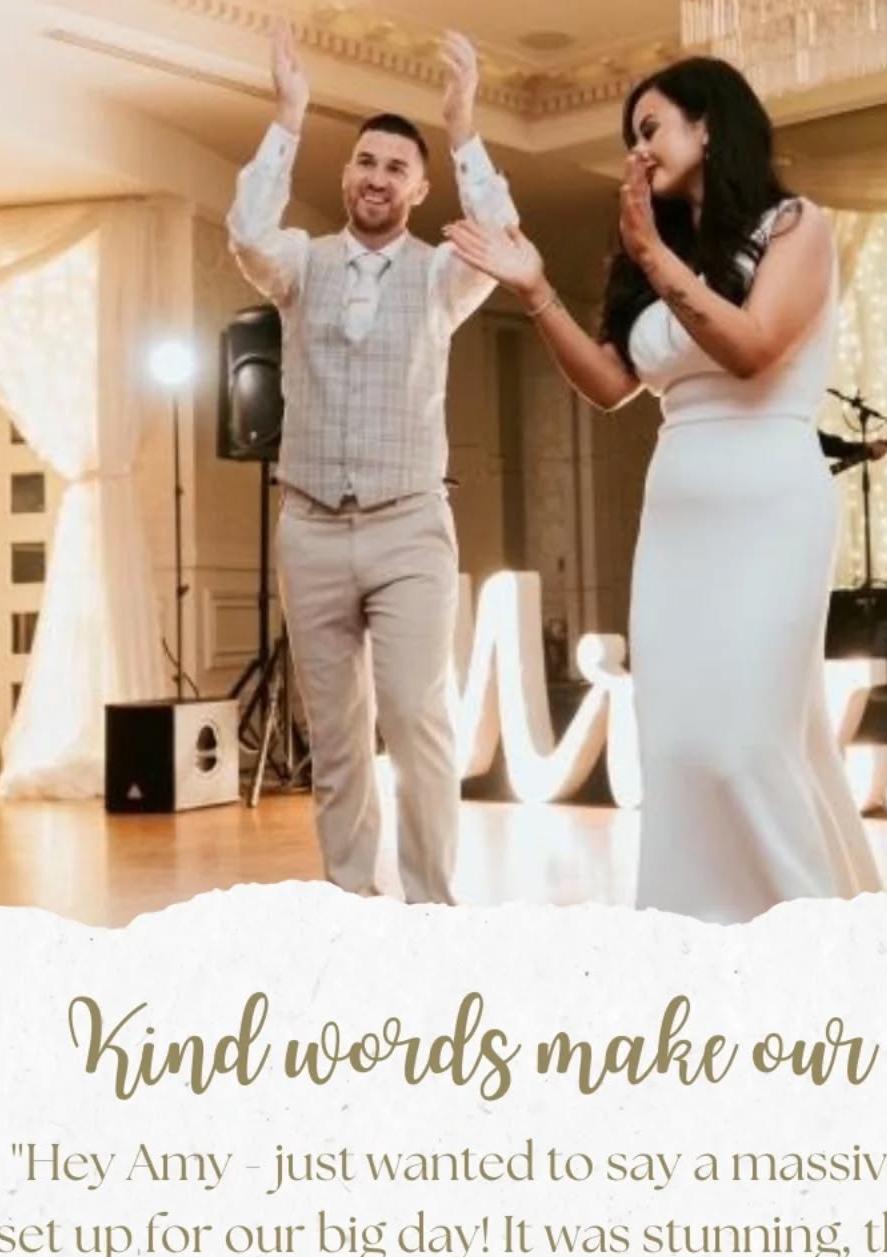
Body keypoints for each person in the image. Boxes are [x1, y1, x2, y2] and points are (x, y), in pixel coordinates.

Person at [446, 56, 880, 924]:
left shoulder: (795, 227)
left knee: (748, 746)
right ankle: (703, 939)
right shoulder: (656, 261)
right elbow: (611, 385)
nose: (637, 153)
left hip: (770, 499)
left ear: (708, 126)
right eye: (630, 141)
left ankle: (819, 945)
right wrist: (535, 290)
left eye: (650, 130)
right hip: (679, 512)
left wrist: (650, 250)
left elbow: (755, 348)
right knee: (679, 744)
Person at [226, 25, 517, 903]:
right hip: (309, 528)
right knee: (339, 739)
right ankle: (352, 903)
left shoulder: (442, 278)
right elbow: (245, 231)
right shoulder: (299, 265)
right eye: (365, 162)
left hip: (408, 528)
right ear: (346, 174)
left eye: (396, 166)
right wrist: (289, 116)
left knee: (417, 719)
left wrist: (463, 125)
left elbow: (500, 236)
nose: (377, 177)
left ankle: (433, 908)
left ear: (420, 189)